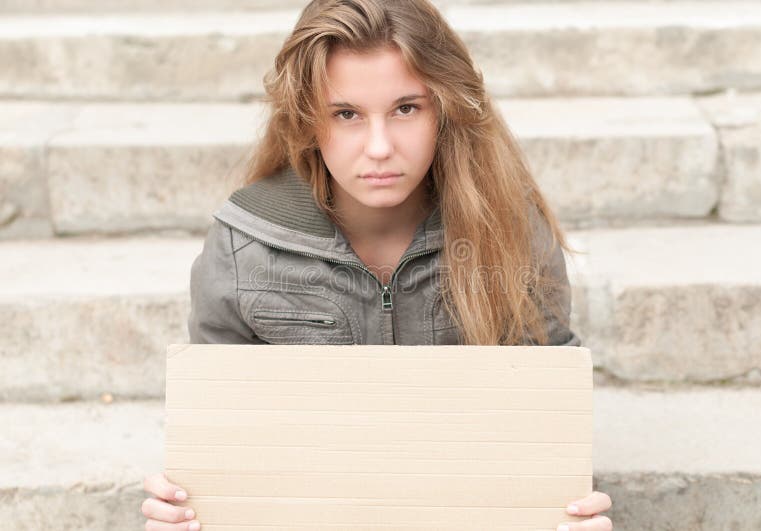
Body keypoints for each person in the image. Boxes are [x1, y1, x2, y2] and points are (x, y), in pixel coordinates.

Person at [141, 1, 613, 529]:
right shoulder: (242, 243)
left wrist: (571, 509)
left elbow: (547, 425)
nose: (380, 147)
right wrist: (184, 505)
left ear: (446, 108)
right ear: (306, 121)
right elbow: (220, 436)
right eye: (346, 114)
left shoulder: (511, 232)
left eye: (406, 108)